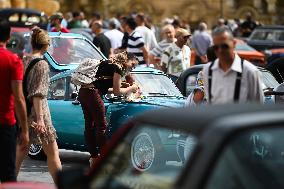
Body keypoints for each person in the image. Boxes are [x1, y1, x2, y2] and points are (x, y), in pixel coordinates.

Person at [76, 51, 139, 166]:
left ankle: (94, 157)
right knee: (101, 126)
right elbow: (117, 92)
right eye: (133, 64)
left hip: (83, 92)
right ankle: (105, 158)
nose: (132, 68)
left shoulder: (108, 63)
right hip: (92, 94)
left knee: (89, 126)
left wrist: (122, 86)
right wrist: (132, 88)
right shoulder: (118, 67)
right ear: (126, 60)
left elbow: (104, 87)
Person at [16, 28, 62, 182]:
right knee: (53, 152)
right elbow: (38, 93)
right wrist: (41, 119)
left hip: (25, 112)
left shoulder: (24, 60)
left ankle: (7, 182)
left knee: (21, 150)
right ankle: (62, 184)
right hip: (39, 114)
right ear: (46, 45)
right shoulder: (42, 64)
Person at [202, 26, 263, 105]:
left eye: (224, 46)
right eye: (216, 47)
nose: (220, 50)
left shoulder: (250, 71)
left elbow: (257, 106)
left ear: (234, 44)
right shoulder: (208, 70)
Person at [0, 20, 29, 183]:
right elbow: (18, 97)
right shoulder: (13, 60)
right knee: (7, 175)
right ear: (8, 37)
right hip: (5, 123)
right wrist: (24, 130)